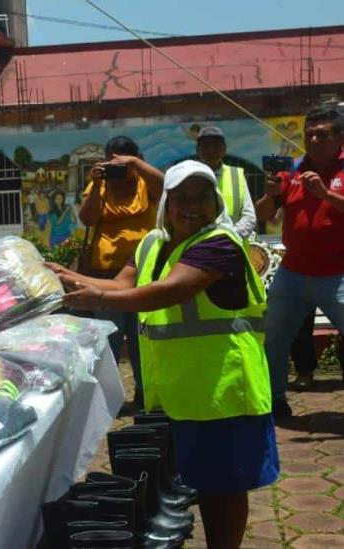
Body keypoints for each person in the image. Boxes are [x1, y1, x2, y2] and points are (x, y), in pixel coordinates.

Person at [49, 160, 279, 549]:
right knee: (205, 483)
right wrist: (61, 274)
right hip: (187, 392)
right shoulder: (152, 242)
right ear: (166, 204)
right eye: (182, 198)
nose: (193, 206)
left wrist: (99, 298)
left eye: (202, 196)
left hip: (225, 389)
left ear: (216, 200)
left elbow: (171, 290)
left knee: (223, 489)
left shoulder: (219, 243)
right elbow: (121, 282)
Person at [255, 105, 344, 418]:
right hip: (293, 273)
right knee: (274, 338)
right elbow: (263, 215)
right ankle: (275, 400)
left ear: (339, 137)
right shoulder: (290, 170)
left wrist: (324, 194)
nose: (315, 140)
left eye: (323, 134)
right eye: (310, 135)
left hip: (338, 273)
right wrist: (270, 194)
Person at [77, 135, 163, 407]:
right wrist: (97, 184)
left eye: (122, 162)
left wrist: (136, 165)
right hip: (106, 273)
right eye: (112, 160)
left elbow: (167, 187)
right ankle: (107, 399)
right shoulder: (98, 184)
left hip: (145, 271)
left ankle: (146, 393)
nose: (117, 168)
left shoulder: (143, 182)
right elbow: (87, 219)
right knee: (109, 336)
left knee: (142, 335)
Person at [196, 126, 257, 239]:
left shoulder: (236, 175)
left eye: (216, 145)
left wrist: (230, 237)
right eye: (205, 146)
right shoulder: (190, 177)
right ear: (197, 150)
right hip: (198, 246)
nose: (211, 150)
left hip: (231, 248)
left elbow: (249, 216)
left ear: (224, 149)